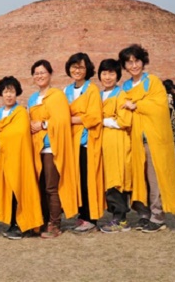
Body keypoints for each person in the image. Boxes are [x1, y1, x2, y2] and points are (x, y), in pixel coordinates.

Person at [119, 44, 175, 233]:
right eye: (129, 62)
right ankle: (143, 214)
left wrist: (136, 105)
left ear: (143, 62)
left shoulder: (152, 81)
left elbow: (160, 106)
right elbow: (121, 107)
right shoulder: (126, 86)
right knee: (139, 179)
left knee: (155, 178)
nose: (134, 65)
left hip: (153, 138)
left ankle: (157, 215)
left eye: (136, 61)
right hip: (134, 139)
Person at [28, 60, 78, 239]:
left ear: (50, 74)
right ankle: (41, 220)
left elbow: (63, 120)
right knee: (39, 187)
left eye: (42, 72)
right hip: (36, 149)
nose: (39, 76)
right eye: (36, 73)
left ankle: (55, 223)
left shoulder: (57, 96)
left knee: (51, 187)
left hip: (52, 148)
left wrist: (42, 124)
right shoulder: (32, 99)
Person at [0, 76, 43, 240]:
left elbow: (20, 134)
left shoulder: (21, 112)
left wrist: (2, 137)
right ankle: (12, 222)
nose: (9, 95)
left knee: (20, 190)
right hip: (4, 159)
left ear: (17, 93)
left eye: (12, 92)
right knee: (8, 192)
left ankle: (25, 224)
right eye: (6, 91)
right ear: (1, 93)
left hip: (20, 159)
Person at [63, 53, 105, 234]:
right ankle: (81, 216)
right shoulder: (66, 91)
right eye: (74, 67)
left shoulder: (92, 90)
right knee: (77, 180)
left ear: (87, 69)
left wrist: (73, 120)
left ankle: (91, 218)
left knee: (88, 180)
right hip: (70, 142)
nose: (76, 70)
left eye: (80, 67)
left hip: (87, 141)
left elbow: (95, 116)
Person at [96, 59, 133, 233]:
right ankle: (115, 216)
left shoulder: (121, 95)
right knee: (107, 180)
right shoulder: (99, 95)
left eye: (111, 73)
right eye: (104, 73)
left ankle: (120, 218)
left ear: (118, 75)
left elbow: (124, 121)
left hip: (116, 142)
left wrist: (102, 121)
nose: (107, 77)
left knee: (116, 180)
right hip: (103, 143)